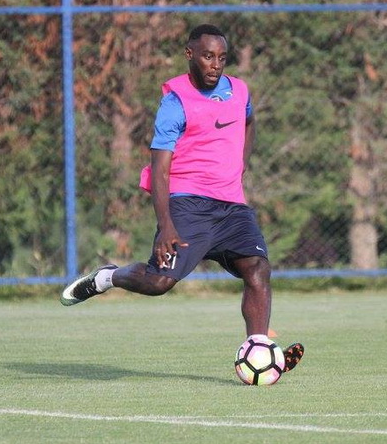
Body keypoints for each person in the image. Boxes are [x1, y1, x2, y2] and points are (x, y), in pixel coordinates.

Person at [60, 24, 303, 374]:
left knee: (258, 269)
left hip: (232, 206)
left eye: (221, 58)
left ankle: (259, 350)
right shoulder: (175, 103)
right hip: (189, 205)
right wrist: (166, 225)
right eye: (208, 56)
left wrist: (241, 164)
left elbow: (249, 121)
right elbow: (160, 170)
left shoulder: (239, 90)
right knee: (158, 282)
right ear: (190, 55)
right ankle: (107, 278)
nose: (215, 65)